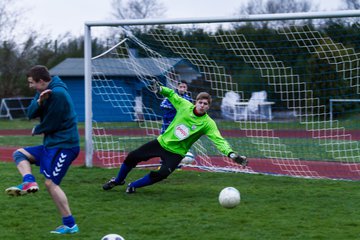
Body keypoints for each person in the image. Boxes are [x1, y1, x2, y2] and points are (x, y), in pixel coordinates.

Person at [102, 80, 248, 194]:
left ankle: (133, 185)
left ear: (208, 107)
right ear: (195, 102)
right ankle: (118, 180)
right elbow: (172, 95)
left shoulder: (208, 124)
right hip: (161, 142)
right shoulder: (185, 105)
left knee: (162, 174)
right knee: (132, 156)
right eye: (200, 102)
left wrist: (231, 154)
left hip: (176, 153)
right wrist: (160, 89)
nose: (202, 105)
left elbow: (219, 141)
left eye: (206, 104)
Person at [5, 65, 80, 235]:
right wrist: (39, 101)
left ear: (41, 81)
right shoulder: (42, 92)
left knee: (50, 184)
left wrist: (37, 129)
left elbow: (54, 123)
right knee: (19, 154)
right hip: (52, 145)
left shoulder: (58, 94)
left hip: (65, 146)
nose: (30, 86)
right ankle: (29, 181)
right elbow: (30, 113)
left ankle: (70, 225)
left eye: (32, 83)